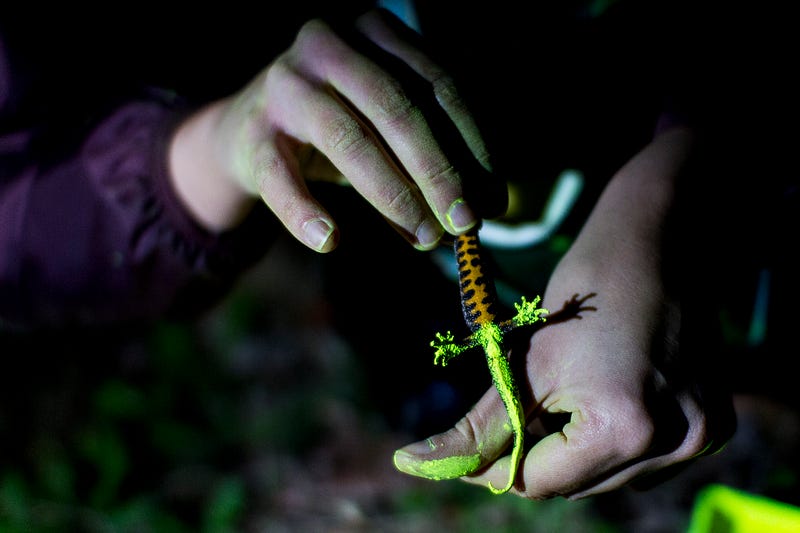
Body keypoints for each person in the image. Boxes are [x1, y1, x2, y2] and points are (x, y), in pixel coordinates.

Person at [3, 0, 794, 503]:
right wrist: (214, 141)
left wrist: (668, 185)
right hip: (496, 304)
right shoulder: (485, 308)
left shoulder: (492, 309)